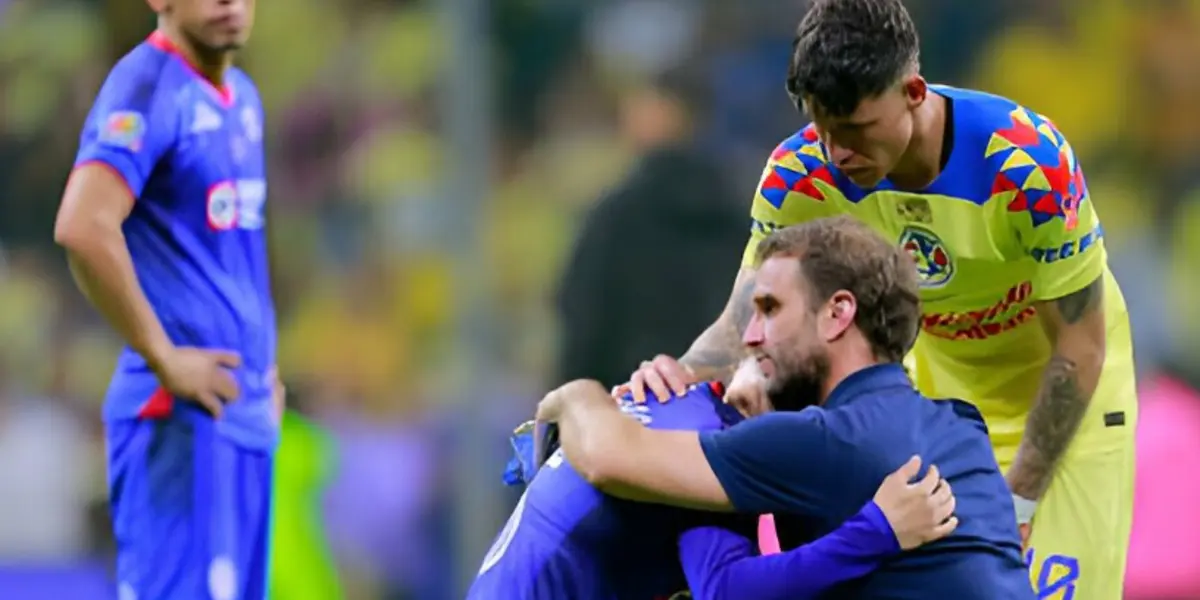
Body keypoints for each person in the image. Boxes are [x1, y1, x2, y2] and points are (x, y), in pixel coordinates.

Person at [623, 1, 1136, 597]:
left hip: (1067, 412)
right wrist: (676, 375)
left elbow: (1078, 347)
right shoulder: (801, 175)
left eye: (857, 130)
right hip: (946, 410)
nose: (839, 152)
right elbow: (745, 319)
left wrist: (1017, 500)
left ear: (913, 91)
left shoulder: (1028, 164)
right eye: (824, 128)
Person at [539, 218, 1036, 598]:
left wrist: (575, 395)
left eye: (770, 309)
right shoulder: (963, 428)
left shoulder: (818, 440)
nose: (750, 337)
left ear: (838, 314)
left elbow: (605, 457)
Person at [53, 1, 280, 597]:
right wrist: (164, 356)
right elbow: (83, 226)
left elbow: (231, 254)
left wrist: (262, 372)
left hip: (241, 414)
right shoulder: (147, 85)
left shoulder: (244, 98)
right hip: (180, 420)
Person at [472, 381, 957, 600]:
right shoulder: (710, 450)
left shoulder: (673, 408)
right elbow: (726, 590)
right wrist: (877, 532)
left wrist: (573, 395)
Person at [554, 66, 746, 388]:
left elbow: (583, 321)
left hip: (632, 401)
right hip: (715, 399)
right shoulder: (736, 208)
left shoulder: (617, 215)